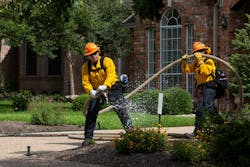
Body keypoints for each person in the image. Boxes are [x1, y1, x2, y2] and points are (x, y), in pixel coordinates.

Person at [81, 42, 133, 145]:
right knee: (91, 112)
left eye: (95, 53)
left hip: (112, 88)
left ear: (98, 52)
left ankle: (131, 134)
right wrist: (91, 91)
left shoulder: (107, 61)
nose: (93, 56)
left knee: (121, 109)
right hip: (97, 92)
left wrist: (105, 85)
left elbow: (111, 75)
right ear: (88, 56)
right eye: (90, 55)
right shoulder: (85, 67)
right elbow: (85, 81)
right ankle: (88, 139)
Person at [181, 42, 217, 137]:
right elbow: (187, 70)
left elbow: (205, 72)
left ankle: (215, 130)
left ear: (205, 51)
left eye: (201, 51)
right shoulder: (196, 63)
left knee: (207, 109)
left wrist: (200, 61)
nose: (199, 53)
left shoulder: (209, 61)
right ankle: (198, 132)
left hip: (210, 88)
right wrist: (184, 62)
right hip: (202, 88)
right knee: (202, 110)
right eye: (197, 51)